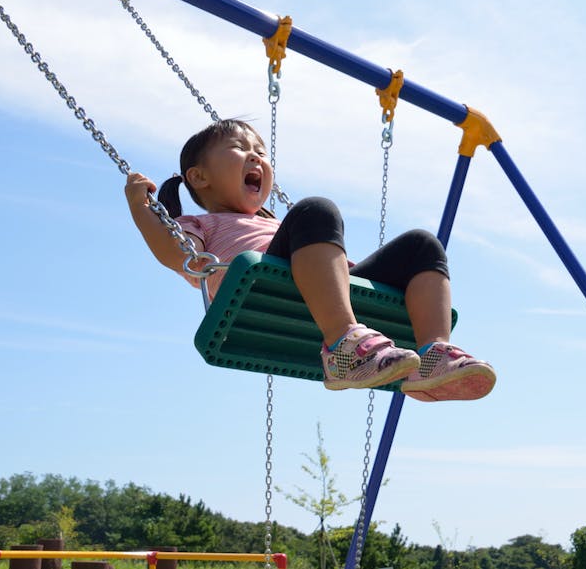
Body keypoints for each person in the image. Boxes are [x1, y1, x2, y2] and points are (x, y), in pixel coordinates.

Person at [125, 119, 495, 401]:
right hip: (260, 290)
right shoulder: (199, 224)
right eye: (239, 148)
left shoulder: (279, 223)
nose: (256, 156)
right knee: (317, 210)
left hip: (334, 292)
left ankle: (433, 356)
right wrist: (142, 209)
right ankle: (343, 348)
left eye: (261, 151)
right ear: (199, 177)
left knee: (422, 245)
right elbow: (177, 256)